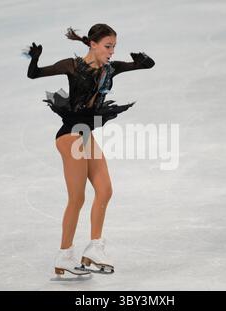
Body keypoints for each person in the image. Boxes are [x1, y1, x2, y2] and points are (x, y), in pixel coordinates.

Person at [26, 24, 155, 275]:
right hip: (70, 136)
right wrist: (35, 59)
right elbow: (34, 75)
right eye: (108, 46)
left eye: (114, 47)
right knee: (77, 198)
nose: (112, 51)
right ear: (93, 45)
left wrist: (143, 60)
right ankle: (64, 255)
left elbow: (145, 66)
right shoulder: (71, 66)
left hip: (86, 134)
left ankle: (94, 248)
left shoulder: (110, 68)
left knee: (105, 190)